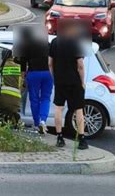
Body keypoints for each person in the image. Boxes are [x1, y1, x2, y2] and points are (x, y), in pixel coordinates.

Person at [48, 21, 88, 149]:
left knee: (58, 108)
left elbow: (50, 63)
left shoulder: (54, 42)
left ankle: (59, 137)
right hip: (74, 82)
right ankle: (81, 139)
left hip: (60, 81)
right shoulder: (76, 43)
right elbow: (80, 65)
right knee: (78, 110)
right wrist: (82, 82)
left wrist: (54, 77)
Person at [18, 28, 53, 134]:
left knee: (34, 99)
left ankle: (37, 123)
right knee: (46, 98)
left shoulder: (27, 46)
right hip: (48, 74)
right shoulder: (49, 45)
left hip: (33, 74)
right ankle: (43, 120)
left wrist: (23, 76)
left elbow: (23, 63)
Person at [0, 50, 23, 125]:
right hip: (16, 101)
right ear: (12, 56)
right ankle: (13, 119)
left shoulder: (1, 67)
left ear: (2, 57)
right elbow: (21, 84)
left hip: (2, 100)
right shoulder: (18, 67)